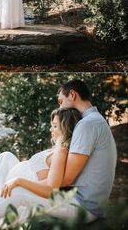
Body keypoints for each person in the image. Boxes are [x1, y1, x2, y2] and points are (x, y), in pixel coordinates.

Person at [0, 108, 82, 222]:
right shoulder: (57, 148)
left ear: (66, 128)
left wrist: (18, 180)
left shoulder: (61, 151)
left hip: (24, 187)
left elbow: (52, 188)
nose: (50, 129)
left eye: (55, 126)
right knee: (6, 156)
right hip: (17, 178)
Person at [57, 79, 117, 221]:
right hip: (91, 202)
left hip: (83, 205)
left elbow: (66, 179)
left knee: (18, 195)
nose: (60, 108)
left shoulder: (87, 124)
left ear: (72, 94)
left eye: (60, 101)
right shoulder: (95, 120)